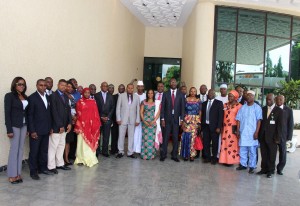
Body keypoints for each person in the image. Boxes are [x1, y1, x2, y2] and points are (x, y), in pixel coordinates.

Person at [4, 77, 29, 184]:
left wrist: (28, 128)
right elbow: (7, 113)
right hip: (14, 125)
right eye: (19, 84)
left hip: (24, 125)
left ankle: (18, 173)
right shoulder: (9, 96)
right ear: (14, 84)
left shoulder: (25, 96)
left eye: (23, 84)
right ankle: (12, 175)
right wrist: (9, 129)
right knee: (14, 150)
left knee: (20, 149)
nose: (21, 86)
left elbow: (27, 113)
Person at [28, 79, 53, 180]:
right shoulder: (32, 98)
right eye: (40, 85)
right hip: (36, 130)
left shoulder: (47, 97)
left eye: (44, 85)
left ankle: (42, 168)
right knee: (34, 151)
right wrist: (32, 130)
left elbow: (49, 113)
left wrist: (50, 127)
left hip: (46, 129)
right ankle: (33, 171)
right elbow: (30, 115)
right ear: (37, 85)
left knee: (44, 150)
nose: (43, 87)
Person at [48, 79, 72, 174]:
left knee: (61, 145)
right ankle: (51, 166)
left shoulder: (66, 97)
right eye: (61, 85)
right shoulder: (53, 96)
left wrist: (69, 123)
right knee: (53, 146)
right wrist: (60, 125)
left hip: (65, 126)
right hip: (57, 126)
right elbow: (53, 112)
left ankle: (60, 164)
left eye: (65, 85)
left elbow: (69, 111)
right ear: (58, 85)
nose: (63, 87)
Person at [236, 90, 262, 174]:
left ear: (254, 97)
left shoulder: (257, 107)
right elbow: (238, 120)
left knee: (252, 151)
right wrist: (238, 130)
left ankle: (252, 166)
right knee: (243, 149)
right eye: (247, 95)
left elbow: (259, 121)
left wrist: (257, 132)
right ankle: (243, 164)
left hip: (252, 133)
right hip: (243, 132)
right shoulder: (242, 107)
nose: (249, 97)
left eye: (251, 96)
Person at [257, 94, 283, 178]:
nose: (268, 101)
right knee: (263, 153)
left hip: (272, 137)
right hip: (263, 136)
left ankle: (270, 170)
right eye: (267, 99)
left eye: (270, 100)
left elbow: (280, 126)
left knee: (271, 154)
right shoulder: (263, 109)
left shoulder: (279, 111)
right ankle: (263, 169)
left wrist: (277, 137)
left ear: (274, 100)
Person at [74, 88, 101, 167]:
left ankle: (90, 158)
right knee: (81, 143)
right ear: (83, 93)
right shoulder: (79, 102)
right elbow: (78, 115)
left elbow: (96, 114)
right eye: (85, 92)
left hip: (91, 127)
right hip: (82, 127)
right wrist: (78, 126)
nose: (87, 94)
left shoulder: (93, 102)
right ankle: (80, 159)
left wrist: (96, 125)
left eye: (88, 93)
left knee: (90, 143)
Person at [160, 78, 185, 162]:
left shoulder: (181, 94)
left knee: (175, 138)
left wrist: (182, 119)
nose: (173, 83)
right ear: (170, 83)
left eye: (174, 82)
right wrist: (162, 119)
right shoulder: (165, 94)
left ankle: (174, 155)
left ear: (176, 83)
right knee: (165, 137)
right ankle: (163, 155)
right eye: (171, 82)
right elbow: (162, 107)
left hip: (176, 120)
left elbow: (182, 108)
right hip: (167, 119)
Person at [116, 83, 140, 158]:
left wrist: (137, 120)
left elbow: (138, 109)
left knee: (131, 136)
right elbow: (118, 108)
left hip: (132, 120)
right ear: (126, 88)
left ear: (133, 89)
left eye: (132, 88)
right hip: (122, 119)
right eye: (129, 88)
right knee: (121, 136)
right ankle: (120, 151)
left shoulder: (137, 97)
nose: (130, 89)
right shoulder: (121, 96)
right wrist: (118, 118)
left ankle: (130, 152)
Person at [219, 90, 242, 166]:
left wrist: (238, 129)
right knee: (225, 144)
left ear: (235, 97)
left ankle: (231, 161)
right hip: (225, 128)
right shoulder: (225, 105)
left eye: (231, 96)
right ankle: (224, 160)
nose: (229, 97)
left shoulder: (239, 106)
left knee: (232, 144)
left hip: (234, 128)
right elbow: (222, 116)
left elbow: (240, 119)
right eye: (229, 96)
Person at [201, 89, 224, 165]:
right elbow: (202, 116)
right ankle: (207, 157)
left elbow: (221, 116)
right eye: (209, 93)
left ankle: (214, 157)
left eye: (212, 93)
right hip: (205, 126)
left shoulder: (219, 103)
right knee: (206, 143)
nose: (210, 94)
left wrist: (219, 127)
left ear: (214, 94)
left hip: (214, 127)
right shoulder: (204, 103)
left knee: (215, 143)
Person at [179, 87, 201, 161]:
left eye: (194, 91)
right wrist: (182, 121)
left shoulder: (198, 100)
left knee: (193, 137)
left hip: (195, 120)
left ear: (196, 92)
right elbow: (183, 111)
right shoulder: (186, 99)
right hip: (186, 120)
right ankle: (185, 154)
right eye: (191, 91)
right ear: (189, 92)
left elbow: (200, 111)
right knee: (186, 136)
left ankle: (192, 155)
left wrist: (199, 122)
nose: (193, 92)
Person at [95, 81, 115, 157]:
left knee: (106, 136)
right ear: (100, 87)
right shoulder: (97, 95)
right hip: (98, 118)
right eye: (103, 86)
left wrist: (108, 117)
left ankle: (105, 151)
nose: (105, 87)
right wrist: (100, 116)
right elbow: (95, 107)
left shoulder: (110, 96)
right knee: (98, 136)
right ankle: (97, 151)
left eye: (106, 86)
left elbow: (112, 107)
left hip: (108, 119)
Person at [276, 95, 294, 175]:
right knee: (272, 152)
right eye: (277, 99)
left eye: (281, 99)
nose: (279, 100)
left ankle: (280, 169)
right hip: (273, 135)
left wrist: (289, 136)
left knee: (283, 153)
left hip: (283, 135)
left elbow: (291, 124)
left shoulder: (289, 110)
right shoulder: (273, 109)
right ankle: (271, 168)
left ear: (284, 100)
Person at [140, 89, 160, 160]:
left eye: (152, 93)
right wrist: (144, 121)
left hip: (153, 123)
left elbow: (158, 112)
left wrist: (154, 120)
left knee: (152, 140)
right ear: (147, 94)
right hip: (145, 123)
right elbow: (141, 112)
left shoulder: (156, 102)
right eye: (149, 93)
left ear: (153, 94)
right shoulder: (144, 102)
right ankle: (144, 155)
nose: (150, 94)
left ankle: (151, 155)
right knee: (145, 139)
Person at [64, 81, 77, 165]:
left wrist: (75, 117)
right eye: (68, 86)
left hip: (71, 121)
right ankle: (62, 159)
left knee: (68, 141)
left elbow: (74, 108)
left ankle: (66, 158)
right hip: (64, 121)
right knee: (63, 142)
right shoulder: (62, 96)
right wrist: (71, 116)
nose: (69, 88)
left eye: (71, 87)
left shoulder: (71, 96)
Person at [110, 84, 125, 155]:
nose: (121, 89)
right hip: (115, 119)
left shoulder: (126, 97)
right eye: (120, 88)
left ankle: (120, 150)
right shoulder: (114, 96)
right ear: (118, 89)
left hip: (124, 119)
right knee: (114, 135)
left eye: (123, 88)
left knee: (121, 135)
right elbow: (113, 108)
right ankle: (113, 149)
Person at [133, 80, 146, 154]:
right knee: (135, 134)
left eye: (141, 86)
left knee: (142, 134)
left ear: (143, 87)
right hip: (135, 118)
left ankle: (141, 150)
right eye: (139, 86)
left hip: (143, 118)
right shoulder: (134, 95)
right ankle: (134, 149)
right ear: (137, 87)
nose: (140, 88)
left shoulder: (145, 95)